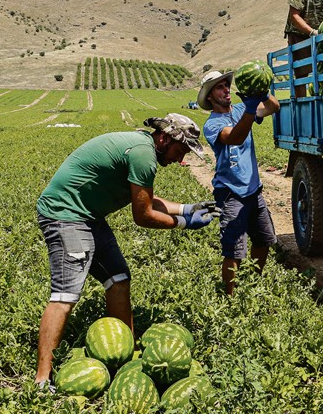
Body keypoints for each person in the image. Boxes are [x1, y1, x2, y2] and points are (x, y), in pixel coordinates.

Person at [33, 113, 220, 389]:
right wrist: (183, 223)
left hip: (88, 216)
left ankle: (124, 354)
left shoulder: (143, 147)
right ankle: (42, 379)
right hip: (65, 215)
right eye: (181, 150)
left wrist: (186, 208)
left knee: (119, 277)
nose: (180, 159)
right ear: (164, 138)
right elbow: (143, 215)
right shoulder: (143, 155)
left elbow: (146, 197)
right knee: (66, 293)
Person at [197, 70, 280, 294]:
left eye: (226, 85)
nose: (226, 90)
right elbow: (234, 137)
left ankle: (251, 285)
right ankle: (231, 298)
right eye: (219, 87)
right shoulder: (211, 124)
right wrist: (251, 110)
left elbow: (273, 107)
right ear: (209, 97)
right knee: (234, 251)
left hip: (254, 190)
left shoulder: (243, 109)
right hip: (230, 193)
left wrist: (263, 93)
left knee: (264, 241)